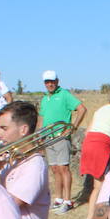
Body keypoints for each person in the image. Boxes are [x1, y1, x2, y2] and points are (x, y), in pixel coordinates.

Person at [39, 70, 87, 211]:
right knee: (54, 169)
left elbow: (81, 109)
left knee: (63, 168)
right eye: (47, 82)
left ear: (57, 81)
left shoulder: (64, 94)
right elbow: (42, 117)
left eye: (52, 81)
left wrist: (72, 128)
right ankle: (58, 198)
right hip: (48, 137)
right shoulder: (44, 98)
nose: (50, 84)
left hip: (61, 136)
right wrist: (40, 134)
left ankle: (68, 200)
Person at [79, 86, 110, 219]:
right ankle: (92, 217)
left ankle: (92, 217)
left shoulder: (100, 110)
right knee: (99, 186)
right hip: (101, 146)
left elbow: (87, 132)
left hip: (88, 144)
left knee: (97, 183)